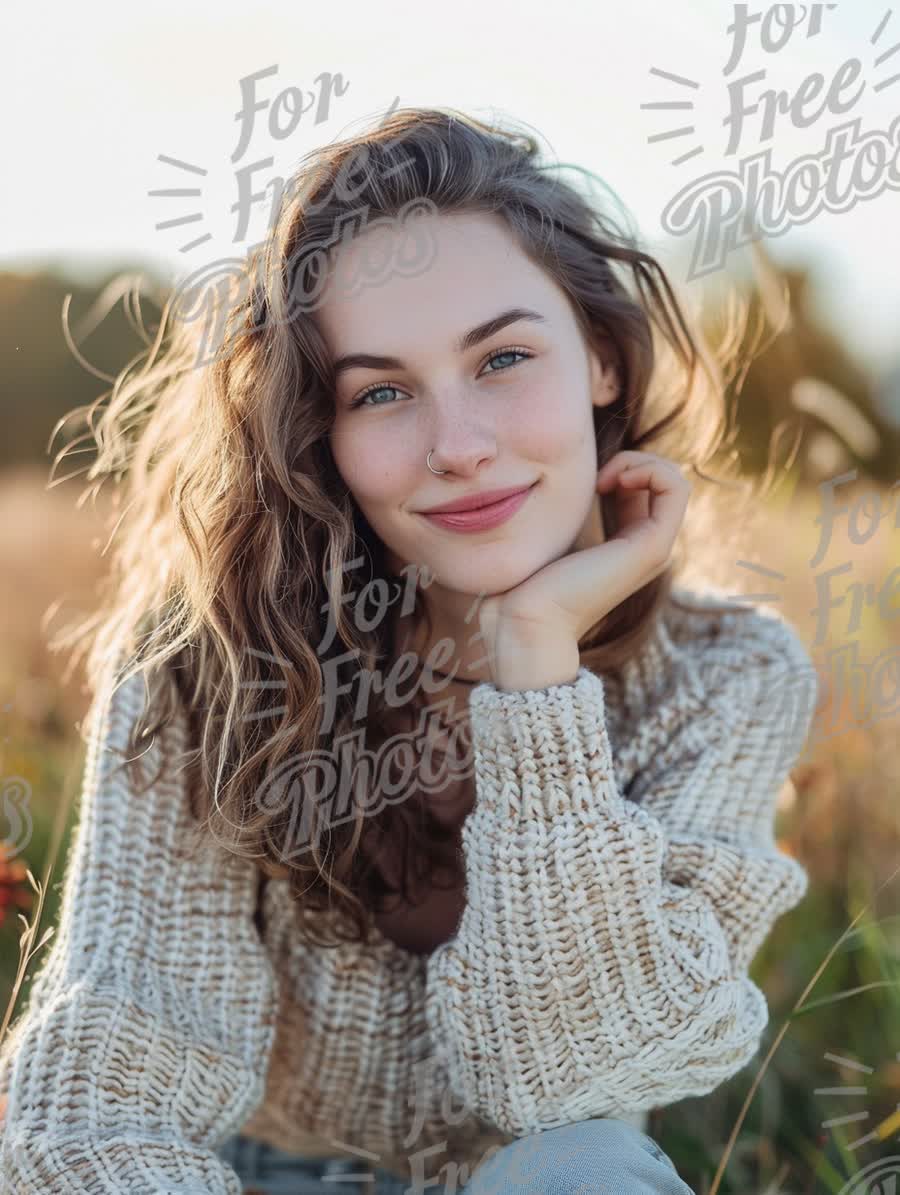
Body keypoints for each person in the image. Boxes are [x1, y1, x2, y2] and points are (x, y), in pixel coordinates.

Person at [0, 106, 821, 1194]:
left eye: (505, 358)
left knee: (591, 1170)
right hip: (229, 1175)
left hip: (540, 1178)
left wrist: (536, 664)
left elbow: (571, 1076)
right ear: (318, 434)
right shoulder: (207, 673)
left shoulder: (729, 678)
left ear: (604, 362)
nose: (460, 448)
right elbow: (93, 1107)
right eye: (382, 391)